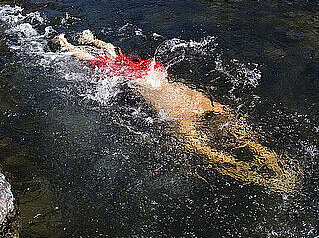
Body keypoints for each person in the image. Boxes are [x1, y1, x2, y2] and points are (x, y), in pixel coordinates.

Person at [51, 31, 299, 192]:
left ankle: (79, 42)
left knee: (109, 59)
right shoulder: (198, 108)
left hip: (147, 79)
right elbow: (223, 144)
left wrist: (250, 173)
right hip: (152, 76)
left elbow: (212, 154)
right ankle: (80, 42)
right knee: (111, 58)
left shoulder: (187, 118)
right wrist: (258, 171)